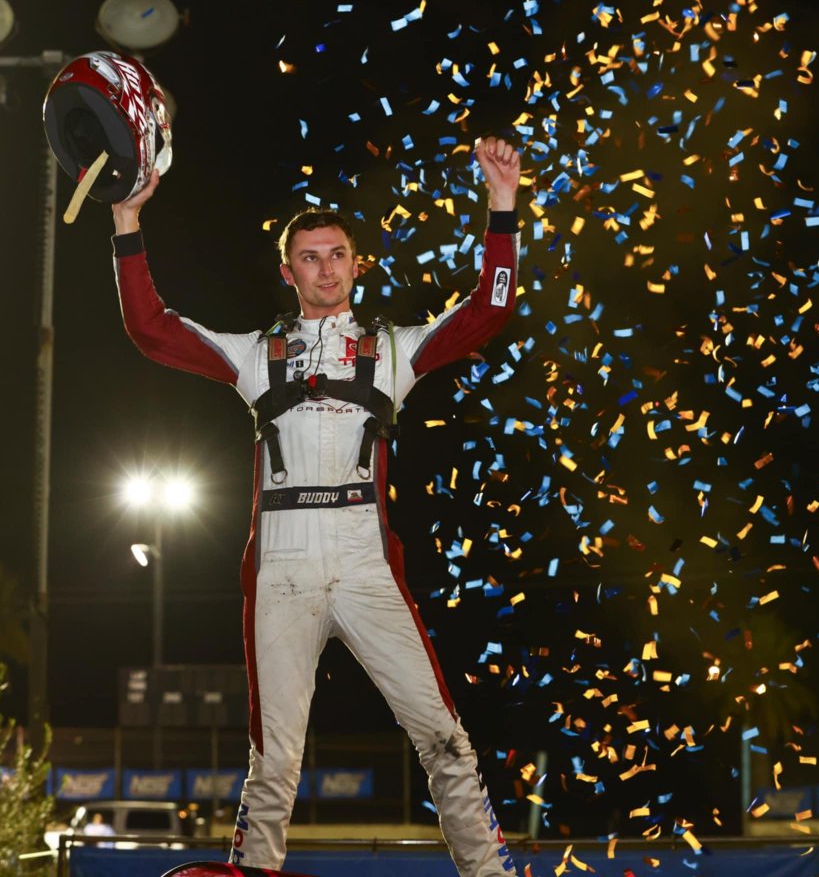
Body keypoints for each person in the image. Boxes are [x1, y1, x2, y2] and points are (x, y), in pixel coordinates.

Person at [109, 137, 522, 877]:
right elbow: (151, 328)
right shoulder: (253, 353)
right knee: (275, 758)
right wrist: (127, 221)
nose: (324, 268)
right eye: (309, 256)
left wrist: (501, 207)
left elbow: (486, 313)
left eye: (336, 255)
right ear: (287, 271)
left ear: (357, 265)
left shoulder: (394, 350)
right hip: (283, 566)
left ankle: (489, 874)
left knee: (445, 738)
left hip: (367, 564)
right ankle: (255, 870)